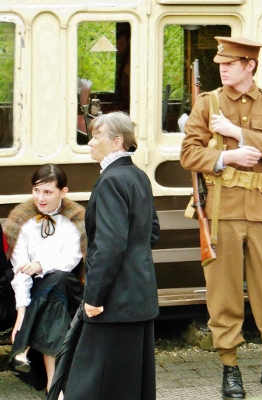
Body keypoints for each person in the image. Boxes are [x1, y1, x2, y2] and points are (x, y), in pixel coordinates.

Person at [180, 37, 262, 400]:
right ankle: (230, 368)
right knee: (224, 294)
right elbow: (188, 154)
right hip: (221, 212)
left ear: (251, 65)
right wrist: (227, 158)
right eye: (220, 63)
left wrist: (235, 133)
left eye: (231, 62)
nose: (223, 67)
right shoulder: (208, 103)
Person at [63, 111, 160, 400]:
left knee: (92, 384)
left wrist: (94, 297)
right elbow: (151, 233)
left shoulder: (110, 181)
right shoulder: (138, 176)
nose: (90, 142)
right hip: (138, 299)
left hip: (112, 304)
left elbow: (109, 246)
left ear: (117, 142)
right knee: (129, 386)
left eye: (96, 136)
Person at [3, 164, 87, 399]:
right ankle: (54, 385)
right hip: (40, 296)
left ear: (64, 191)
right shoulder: (23, 222)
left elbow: (69, 261)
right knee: (51, 302)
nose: (40, 198)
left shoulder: (73, 220)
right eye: (36, 190)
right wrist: (21, 313)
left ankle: (23, 346)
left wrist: (40, 264)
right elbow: (20, 272)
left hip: (69, 289)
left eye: (48, 192)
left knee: (57, 279)